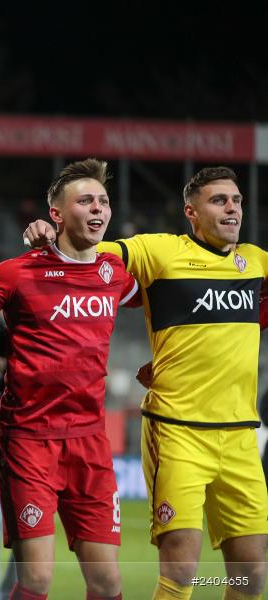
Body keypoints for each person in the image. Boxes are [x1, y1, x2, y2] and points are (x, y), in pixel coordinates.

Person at [24, 166, 268, 600]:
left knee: (251, 576)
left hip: (241, 436)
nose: (233, 208)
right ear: (191, 212)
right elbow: (93, 254)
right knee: (182, 573)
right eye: (219, 201)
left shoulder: (257, 261)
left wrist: (189, 354)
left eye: (237, 200)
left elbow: (253, 317)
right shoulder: (159, 251)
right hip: (178, 432)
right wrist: (50, 234)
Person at [0, 159, 139, 600]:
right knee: (37, 579)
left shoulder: (115, 274)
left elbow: (170, 306)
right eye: (85, 201)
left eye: (104, 201)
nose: (98, 209)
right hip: (29, 439)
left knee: (108, 581)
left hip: (90, 442)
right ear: (56, 214)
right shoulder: (18, 272)